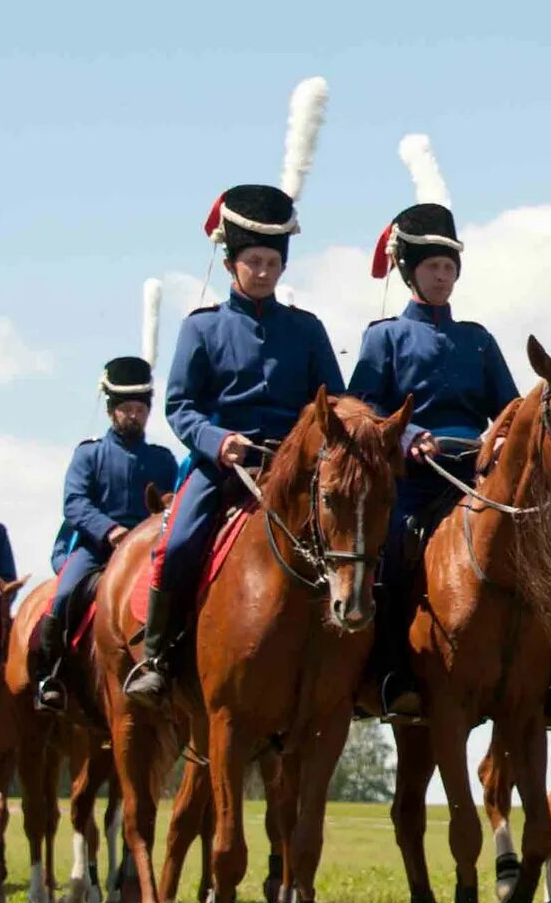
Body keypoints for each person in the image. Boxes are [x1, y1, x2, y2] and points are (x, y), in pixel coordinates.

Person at [125, 185, 348, 703]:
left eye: (272, 261)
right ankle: (158, 656)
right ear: (231, 263)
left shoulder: (307, 330)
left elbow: (332, 402)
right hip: (222, 465)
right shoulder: (201, 328)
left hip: (296, 467)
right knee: (177, 542)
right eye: (253, 260)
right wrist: (218, 440)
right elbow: (180, 406)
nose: (264, 271)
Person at [349, 137, 521, 712]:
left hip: (473, 475)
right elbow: (363, 412)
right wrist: (405, 435)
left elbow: (512, 409)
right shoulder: (384, 338)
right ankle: (390, 670)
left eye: (450, 267)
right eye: (433, 267)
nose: (443, 277)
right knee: (391, 552)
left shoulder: (478, 339)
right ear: (410, 272)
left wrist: (498, 439)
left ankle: (542, 674)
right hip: (412, 478)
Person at [37, 356, 179, 710]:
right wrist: (110, 531)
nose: (134, 415)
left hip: (147, 549)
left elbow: (171, 504)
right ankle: (51, 675)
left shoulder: (163, 460)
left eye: (140, 408)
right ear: (111, 411)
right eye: (126, 409)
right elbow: (75, 503)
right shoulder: (89, 454)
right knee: (64, 595)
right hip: (97, 548)